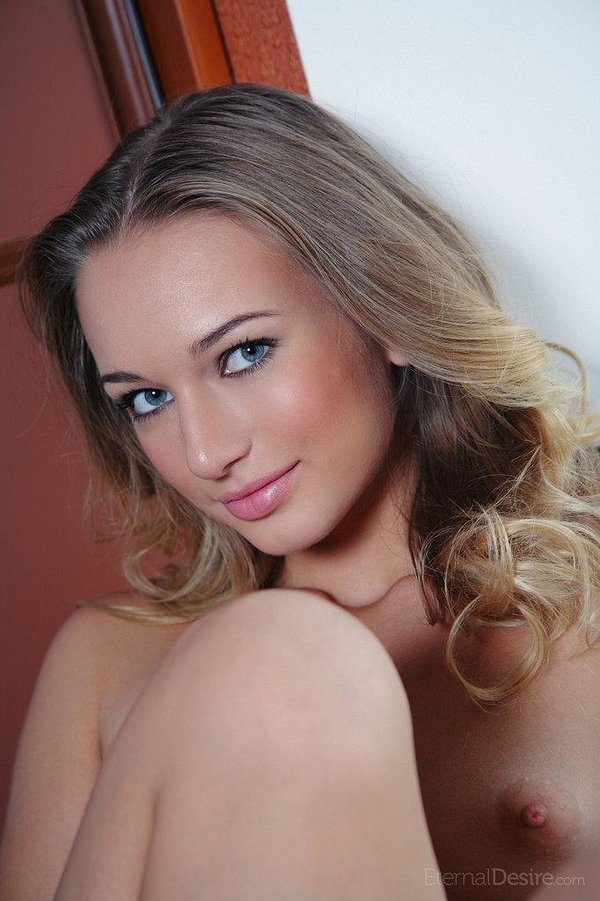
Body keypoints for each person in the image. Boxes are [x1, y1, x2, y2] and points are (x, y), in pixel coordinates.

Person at [0, 83, 598, 900]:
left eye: (243, 354)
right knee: (276, 655)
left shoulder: (584, 582)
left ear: (382, 307)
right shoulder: (110, 658)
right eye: (147, 398)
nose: (206, 452)